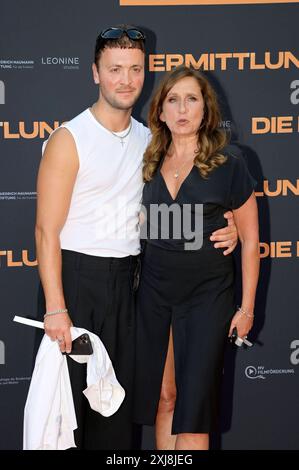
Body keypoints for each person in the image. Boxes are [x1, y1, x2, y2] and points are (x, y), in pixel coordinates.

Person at [35, 26, 238, 450]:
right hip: (76, 283)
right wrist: (56, 307)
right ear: (95, 73)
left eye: (134, 69)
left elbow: (190, 197)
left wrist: (228, 223)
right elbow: (45, 231)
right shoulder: (69, 139)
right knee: (67, 420)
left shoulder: (152, 141)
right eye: (114, 69)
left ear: (145, 74)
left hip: (132, 285)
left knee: (115, 414)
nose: (125, 80)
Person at [134, 66, 260, 450]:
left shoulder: (230, 163)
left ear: (206, 109)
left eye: (192, 99)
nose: (183, 108)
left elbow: (252, 242)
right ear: (160, 110)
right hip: (154, 296)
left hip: (208, 296)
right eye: (173, 99)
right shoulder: (145, 161)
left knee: (194, 412)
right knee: (164, 399)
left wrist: (247, 310)